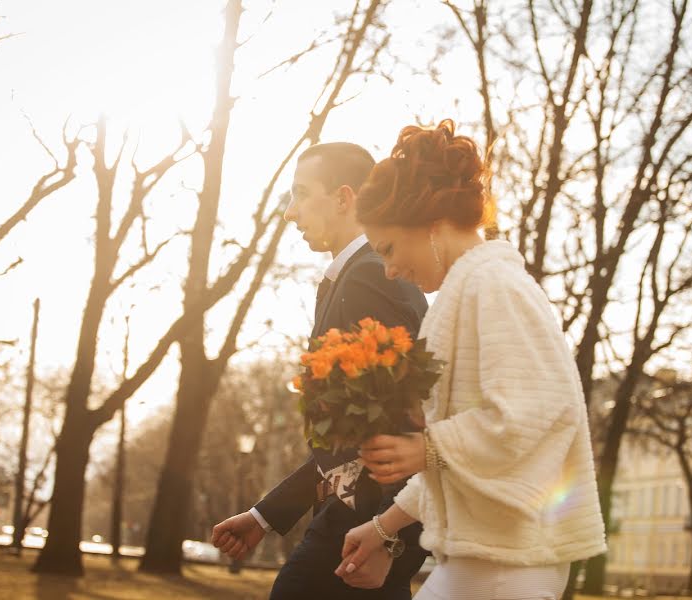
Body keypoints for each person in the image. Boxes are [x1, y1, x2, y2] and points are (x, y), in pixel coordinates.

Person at [335, 121, 607, 600]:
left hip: (508, 568)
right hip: (486, 561)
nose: (392, 269)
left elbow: (534, 415)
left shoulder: (495, 287)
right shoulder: (467, 294)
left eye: (390, 249)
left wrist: (427, 448)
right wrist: (384, 527)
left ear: (429, 222)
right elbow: (466, 462)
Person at [211, 142, 429, 599]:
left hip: (357, 534)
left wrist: (390, 538)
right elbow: (349, 438)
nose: (290, 213)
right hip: (359, 530)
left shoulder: (370, 277)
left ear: (344, 198)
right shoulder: (356, 276)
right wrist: (264, 516)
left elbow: (403, 422)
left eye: (300, 193)